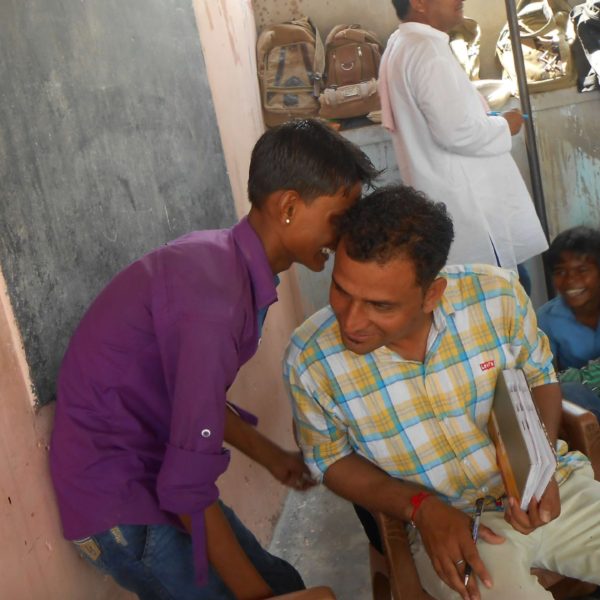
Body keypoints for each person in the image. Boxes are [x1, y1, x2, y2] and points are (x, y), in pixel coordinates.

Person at [49, 118, 378, 600]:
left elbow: (194, 402)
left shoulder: (227, 265)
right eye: (339, 218)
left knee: (285, 583)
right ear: (288, 207)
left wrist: (270, 456)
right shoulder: (216, 301)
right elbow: (186, 489)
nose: (344, 236)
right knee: (267, 590)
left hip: (158, 473)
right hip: (120, 497)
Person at [284, 185, 600, 600]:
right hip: (454, 525)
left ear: (432, 294)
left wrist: (540, 467)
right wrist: (420, 507)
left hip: (558, 491)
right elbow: (329, 458)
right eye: (341, 290)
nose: (352, 322)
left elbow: (539, 376)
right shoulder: (311, 360)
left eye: (381, 305)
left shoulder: (498, 296)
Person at [378, 0, 548, 285]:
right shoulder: (426, 51)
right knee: (505, 293)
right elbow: (457, 132)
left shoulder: (403, 43)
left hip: (448, 202)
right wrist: (505, 126)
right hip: (470, 209)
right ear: (418, 3)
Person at [537, 226, 600, 419]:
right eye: (560, 272)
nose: (571, 280)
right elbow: (545, 380)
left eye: (582, 270)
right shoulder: (546, 318)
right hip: (589, 404)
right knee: (567, 392)